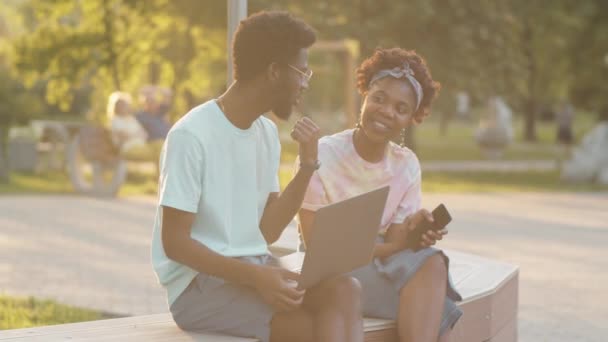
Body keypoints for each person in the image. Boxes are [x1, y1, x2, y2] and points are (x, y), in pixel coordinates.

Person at [151, 11, 363, 342]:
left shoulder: (265, 133)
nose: (306, 83)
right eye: (302, 72)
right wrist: (256, 277)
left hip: (254, 265)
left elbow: (266, 230)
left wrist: (308, 165)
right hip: (197, 288)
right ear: (274, 71)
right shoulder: (191, 135)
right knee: (311, 329)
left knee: (345, 290)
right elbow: (175, 244)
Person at [297, 48, 462, 342]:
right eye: (380, 99)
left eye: (401, 108)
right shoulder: (323, 153)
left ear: (411, 118)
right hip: (333, 271)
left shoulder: (406, 164)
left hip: (382, 262)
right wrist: (397, 246)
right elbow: (315, 245)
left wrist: (413, 231)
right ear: (365, 95)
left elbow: (398, 240)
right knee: (440, 308)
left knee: (433, 261)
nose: (387, 111)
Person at [106, 91, 162, 161]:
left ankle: (161, 171)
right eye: (121, 105)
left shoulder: (132, 119)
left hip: (142, 145)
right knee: (158, 154)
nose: (123, 107)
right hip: (128, 148)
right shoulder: (115, 120)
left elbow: (144, 134)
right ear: (115, 107)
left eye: (125, 105)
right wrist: (136, 134)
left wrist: (133, 134)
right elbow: (123, 136)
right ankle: (161, 171)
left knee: (160, 145)